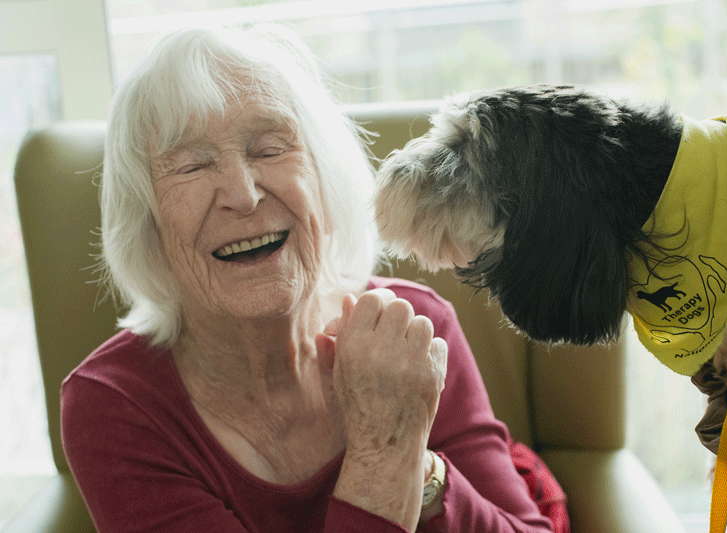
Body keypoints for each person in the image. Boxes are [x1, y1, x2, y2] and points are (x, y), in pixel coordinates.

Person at [61, 25, 563, 533]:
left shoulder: (414, 328)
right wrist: (382, 457)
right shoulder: (114, 406)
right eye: (192, 166)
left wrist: (424, 468)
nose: (243, 193)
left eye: (269, 149)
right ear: (146, 219)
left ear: (325, 177)